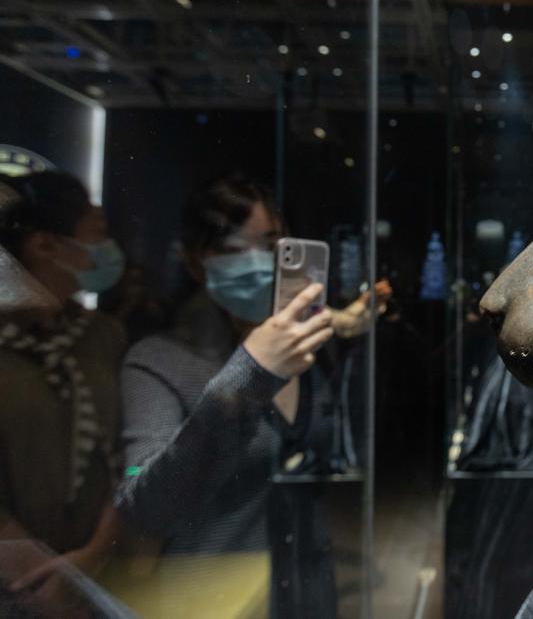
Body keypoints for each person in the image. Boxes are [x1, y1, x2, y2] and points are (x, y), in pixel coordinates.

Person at [113, 175, 387, 612]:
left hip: (306, 591)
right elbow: (144, 507)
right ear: (195, 261)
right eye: (233, 249)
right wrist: (249, 375)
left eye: (272, 244)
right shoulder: (158, 361)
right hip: (217, 602)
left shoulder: (306, 353)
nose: (258, 262)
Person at [0, 171, 126, 611]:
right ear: (44, 245)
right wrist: (45, 589)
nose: (107, 249)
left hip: (98, 582)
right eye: (97, 234)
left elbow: (129, 460)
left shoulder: (104, 336)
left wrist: (93, 559)